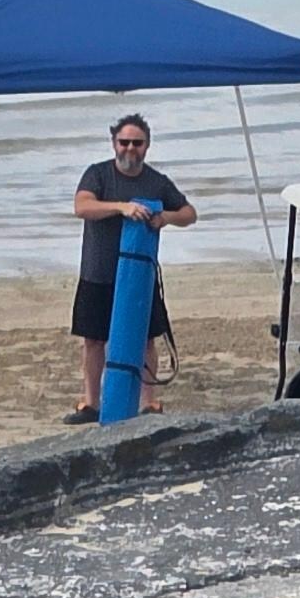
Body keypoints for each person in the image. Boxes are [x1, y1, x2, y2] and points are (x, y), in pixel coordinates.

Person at [69, 114, 194, 420]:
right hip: (98, 272)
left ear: (146, 146)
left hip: (140, 274)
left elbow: (189, 213)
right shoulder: (97, 175)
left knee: (146, 337)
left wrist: (166, 217)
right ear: (114, 143)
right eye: (124, 142)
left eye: (137, 143)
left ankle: (148, 402)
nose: (130, 149)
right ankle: (91, 402)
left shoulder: (156, 181)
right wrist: (120, 207)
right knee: (94, 339)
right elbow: (81, 206)